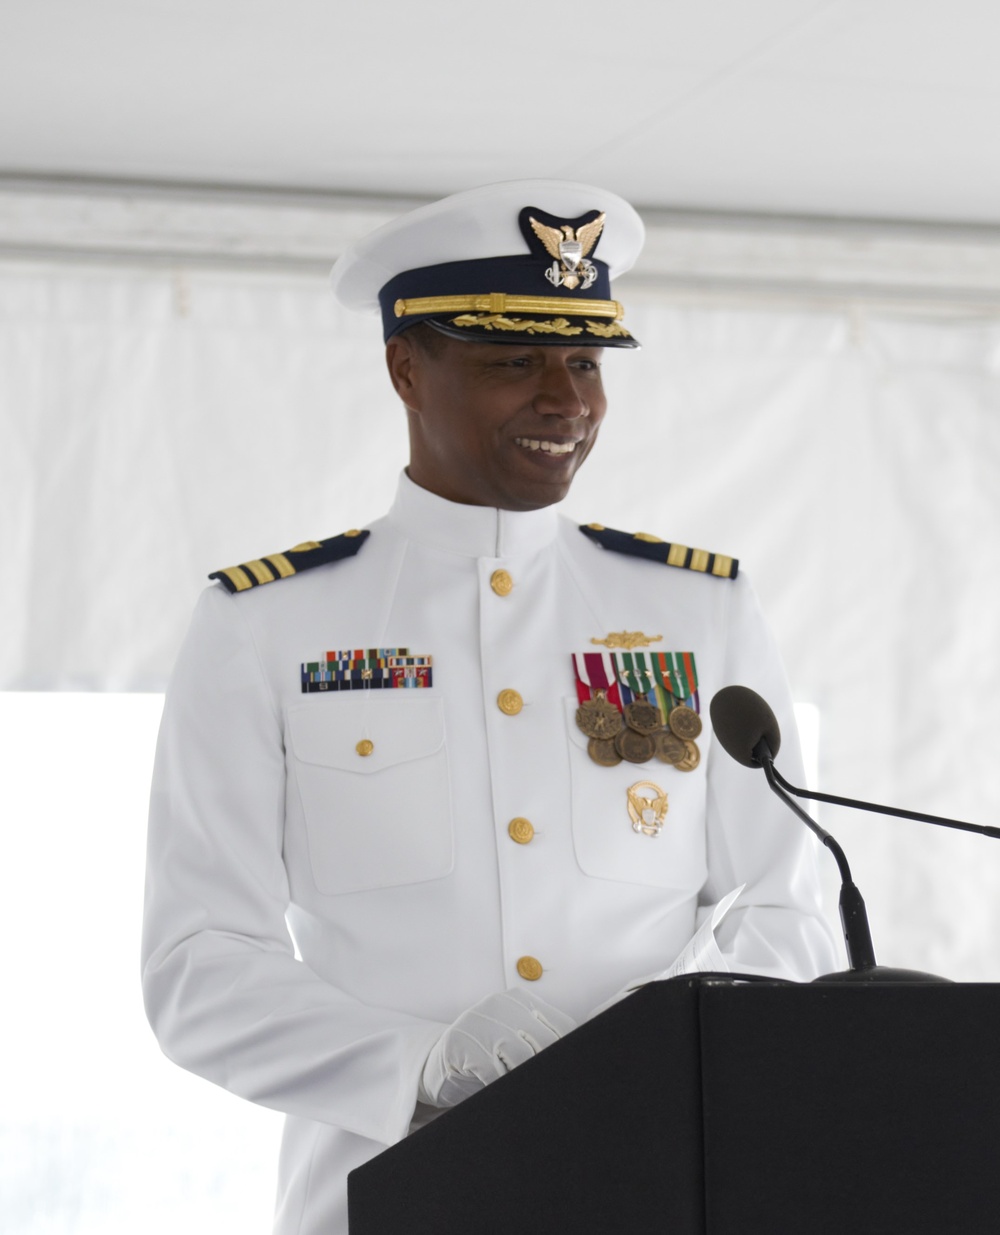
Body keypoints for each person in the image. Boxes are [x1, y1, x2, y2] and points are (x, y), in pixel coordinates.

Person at [141, 179, 836, 1234]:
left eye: (587, 361)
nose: (567, 399)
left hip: (658, 1192)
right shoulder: (267, 626)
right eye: (516, 360)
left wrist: (668, 1061)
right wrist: (419, 1061)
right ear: (405, 367)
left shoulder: (695, 610)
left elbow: (788, 908)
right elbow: (198, 963)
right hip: (380, 1195)